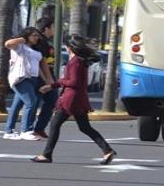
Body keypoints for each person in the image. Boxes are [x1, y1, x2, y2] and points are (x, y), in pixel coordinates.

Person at [31, 34, 116, 164]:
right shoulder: (80, 60)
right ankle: (107, 150)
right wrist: (51, 86)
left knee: (55, 124)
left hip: (70, 98)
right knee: (85, 127)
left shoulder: (75, 61)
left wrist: (59, 81)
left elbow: (74, 82)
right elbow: (73, 81)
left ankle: (47, 155)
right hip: (78, 97)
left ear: (69, 47)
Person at [3, 26, 52, 140]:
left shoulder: (36, 49)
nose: (36, 38)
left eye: (37, 36)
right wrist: (21, 39)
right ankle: (26, 130)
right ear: (27, 35)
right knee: (31, 102)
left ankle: (9, 131)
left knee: (17, 105)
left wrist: (46, 80)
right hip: (21, 78)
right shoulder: (20, 47)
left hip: (33, 79)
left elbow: (38, 66)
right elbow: (8, 44)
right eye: (34, 35)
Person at [30, 17, 58, 139]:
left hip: (49, 75)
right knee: (34, 102)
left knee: (52, 101)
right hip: (41, 77)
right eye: (53, 27)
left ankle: (39, 128)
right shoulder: (40, 42)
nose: (54, 30)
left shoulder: (46, 41)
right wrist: (46, 78)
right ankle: (29, 129)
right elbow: (40, 61)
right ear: (47, 28)